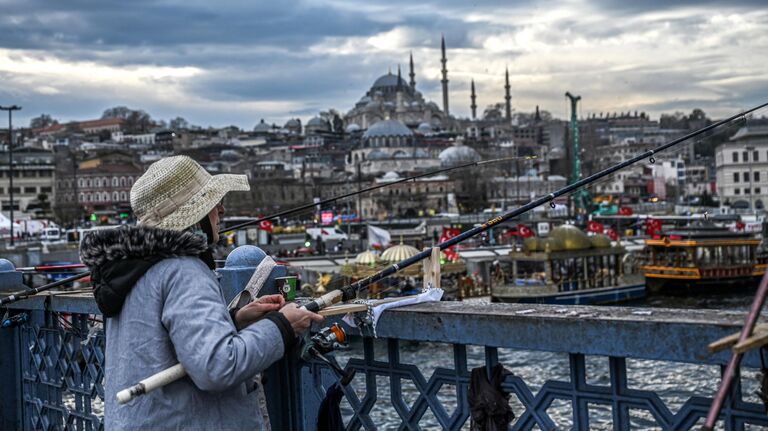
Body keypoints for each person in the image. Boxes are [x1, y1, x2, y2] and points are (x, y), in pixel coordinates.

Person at [80, 156, 323, 430]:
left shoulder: (131, 269)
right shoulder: (183, 270)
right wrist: (282, 327)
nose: (220, 209)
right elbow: (217, 367)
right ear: (194, 216)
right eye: (212, 203)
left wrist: (232, 321)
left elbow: (162, 344)